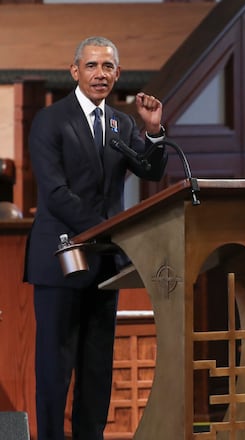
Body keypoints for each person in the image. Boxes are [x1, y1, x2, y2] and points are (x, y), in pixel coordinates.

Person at [23, 36, 169, 440]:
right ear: (75, 71)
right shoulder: (50, 121)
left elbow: (151, 171)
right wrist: (106, 230)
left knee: (97, 367)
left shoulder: (121, 123)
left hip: (105, 264)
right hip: (61, 259)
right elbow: (55, 193)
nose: (99, 74)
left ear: (118, 74)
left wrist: (153, 131)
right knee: (55, 367)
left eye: (107, 67)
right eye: (91, 66)